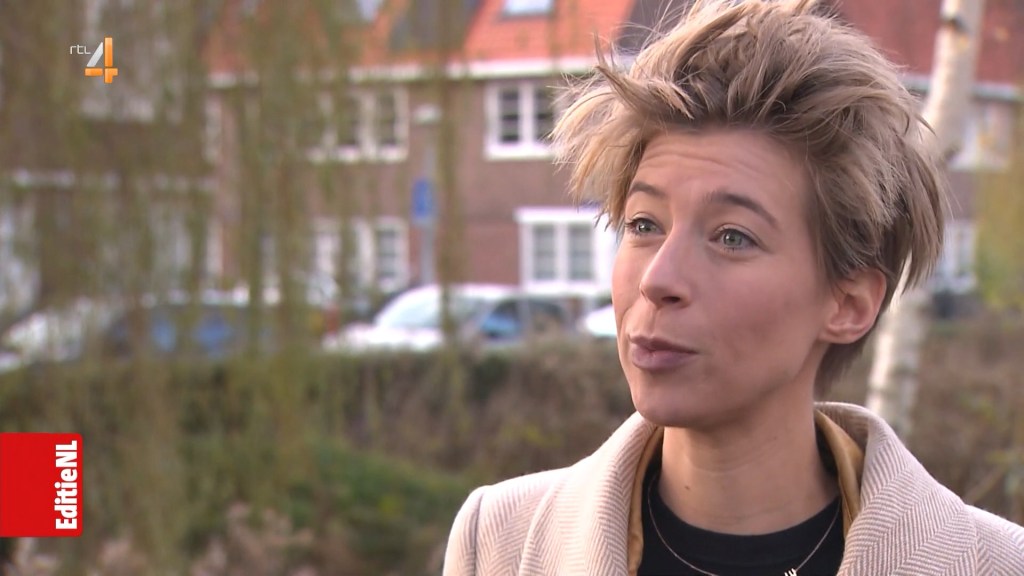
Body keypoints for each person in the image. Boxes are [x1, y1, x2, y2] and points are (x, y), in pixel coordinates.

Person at [442, 0, 1024, 574]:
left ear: (848, 304)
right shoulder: (500, 544)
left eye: (732, 237)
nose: (658, 279)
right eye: (643, 225)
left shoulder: (994, 564)